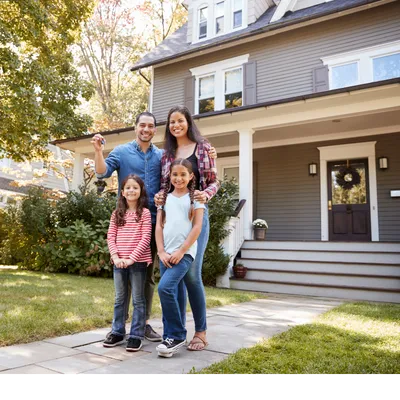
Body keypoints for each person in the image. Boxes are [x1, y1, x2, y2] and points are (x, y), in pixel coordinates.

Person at [91, 112, 163, 342]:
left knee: (147, 278)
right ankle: (119, 327)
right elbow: (102, 172)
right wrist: (99, 151)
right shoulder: (122, 152)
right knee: (124, 277)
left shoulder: (161, 155)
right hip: (126, 225)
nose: (146, 129)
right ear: (135, 127)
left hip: (153, 223)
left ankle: (144, 324)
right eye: (142, 125)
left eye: (151, 126)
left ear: (154, 130)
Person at [155, 105, 220, 351]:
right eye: (172, 122)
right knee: (176, 276)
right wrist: (160, 198)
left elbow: (214, 181)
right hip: (172, 217)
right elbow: (165, 185)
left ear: (188, 122)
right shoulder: (166, 154)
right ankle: (177, 332)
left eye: (180, 121)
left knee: (192, 275)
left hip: (196, 214)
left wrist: (205, 195)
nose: (176, 125)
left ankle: (201, 333)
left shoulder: (203, 148)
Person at [155, 159, 205, 358]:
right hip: (165, 253)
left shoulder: (197, 199)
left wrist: (182, 251)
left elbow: (197, 228)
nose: (178, 178)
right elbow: (159, 227)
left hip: (184, 254)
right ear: (170, 176)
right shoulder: (163, 199)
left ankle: (177, 334)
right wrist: (160, 251)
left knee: (164, 287)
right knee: (171, 292)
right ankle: (170, 338)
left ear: (191, 176)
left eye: (183, 174)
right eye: (175, 174)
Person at [103, 175, 153, 352]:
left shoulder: (145, 213)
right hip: (119, 262)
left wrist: (132, 258)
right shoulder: (117, 214)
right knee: (120, 299)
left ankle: (136, 335)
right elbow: (111, 236)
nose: (131, 190)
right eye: (128, 188)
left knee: (138, 299)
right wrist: (116, 257)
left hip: (137, 262)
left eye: (135, 188)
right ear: (122, 192)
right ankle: (117, 332)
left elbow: (146, 237)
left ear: (140, 192)